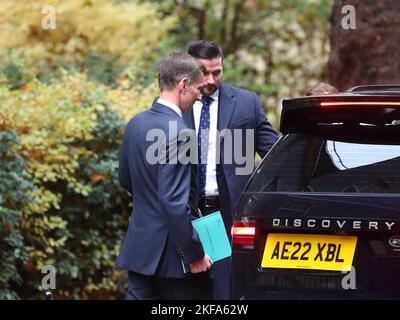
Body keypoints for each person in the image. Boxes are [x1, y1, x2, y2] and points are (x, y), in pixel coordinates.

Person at [184, 40, 279, 299]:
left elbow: (275, 155)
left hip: (226, 214)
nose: (212, 79)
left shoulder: (247, 103)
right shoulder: (174, 105)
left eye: (217, 72)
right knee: (184, 290)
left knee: (223, 291)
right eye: (204, 72)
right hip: (183, 214)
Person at [117, 52, 213, 300]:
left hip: (141, 248)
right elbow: (173, 202)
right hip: (174, 259)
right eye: (197, 89)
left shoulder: (136, 123)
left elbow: (126, 180)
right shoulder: (181, 133)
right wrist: (194, 254)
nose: (199, 97)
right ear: (183, 85)